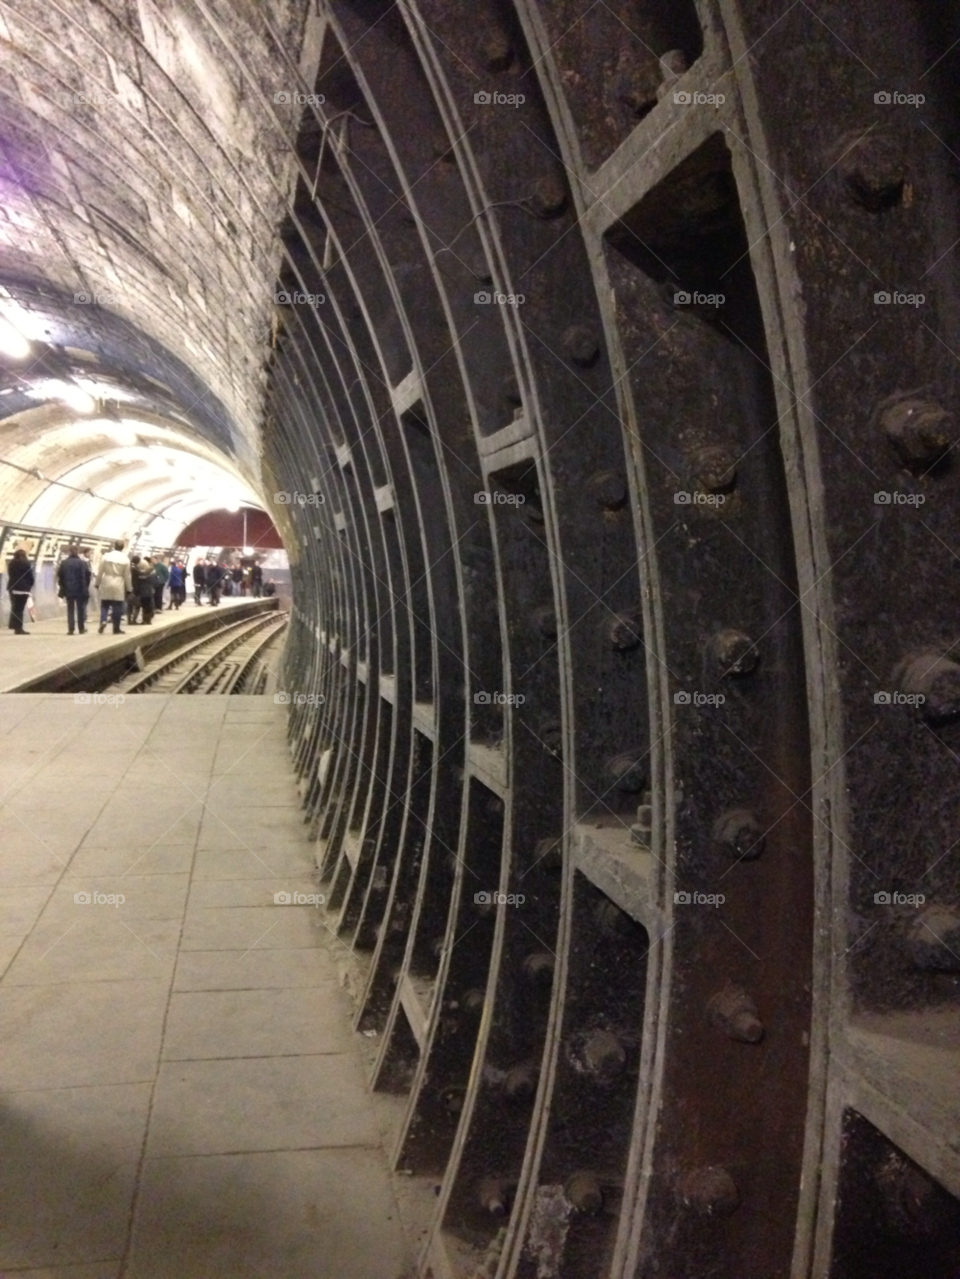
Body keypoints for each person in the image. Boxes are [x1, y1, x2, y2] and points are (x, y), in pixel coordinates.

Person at [95, 540, 132, 634]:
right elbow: (127, 576)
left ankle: (103, 620)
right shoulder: (125, 559)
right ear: (123, 547)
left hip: (106, 580)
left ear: (114, 546)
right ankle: (116, 628)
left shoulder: (106, 556)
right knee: (117, 607)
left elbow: (100, 571)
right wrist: (129, 589)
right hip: (119, 582)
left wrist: (97, 583)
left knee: (105, 604)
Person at [56, 544, 91, 634]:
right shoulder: (83, 563)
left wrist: (62, 586)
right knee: (80, 609)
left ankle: (71, 629)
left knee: (70, 609)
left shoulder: (64, 563)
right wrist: (85, 586)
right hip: (81, 589)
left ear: (69, 552)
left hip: (69, 589)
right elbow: (88, 576)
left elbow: (60, 576)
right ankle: (81, 628)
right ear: (77, 553)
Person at [6, 548, 34, 634]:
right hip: (23, 590)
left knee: (14, 607)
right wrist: (29, 586)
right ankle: (18, 628)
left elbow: (10, 575)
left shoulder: (11, 564)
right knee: (20, 609)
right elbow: (30, 577)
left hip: (13, 589)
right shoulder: (26, 564)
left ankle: (13, 625)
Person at [133, 556, 158, 625]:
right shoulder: (152, 573)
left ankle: (145, 620)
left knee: (144, 607)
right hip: (150, 591)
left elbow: (139, 581)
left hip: (143, 592)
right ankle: (148, 620)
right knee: (149, 606)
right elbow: (156, 582)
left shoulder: (141, 574)